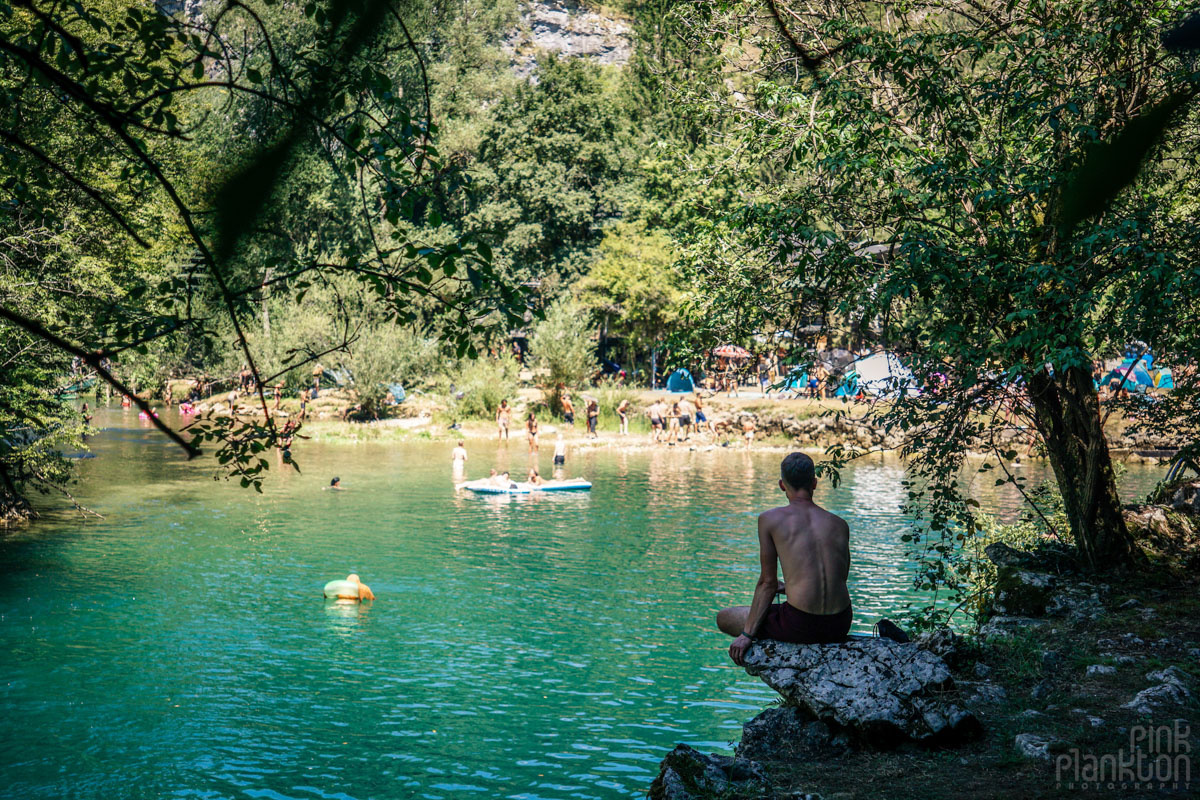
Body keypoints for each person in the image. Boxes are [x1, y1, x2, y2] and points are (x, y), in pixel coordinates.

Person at [718, 453, 852, 664]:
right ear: (814, 483)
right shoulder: (839, 524)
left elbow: (767, 583)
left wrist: (747, 635)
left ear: (782, 485)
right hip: (840, 623)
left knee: (725, 617)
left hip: (801, 625)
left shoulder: (770, 519)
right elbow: (839, 578)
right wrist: (791, 587)